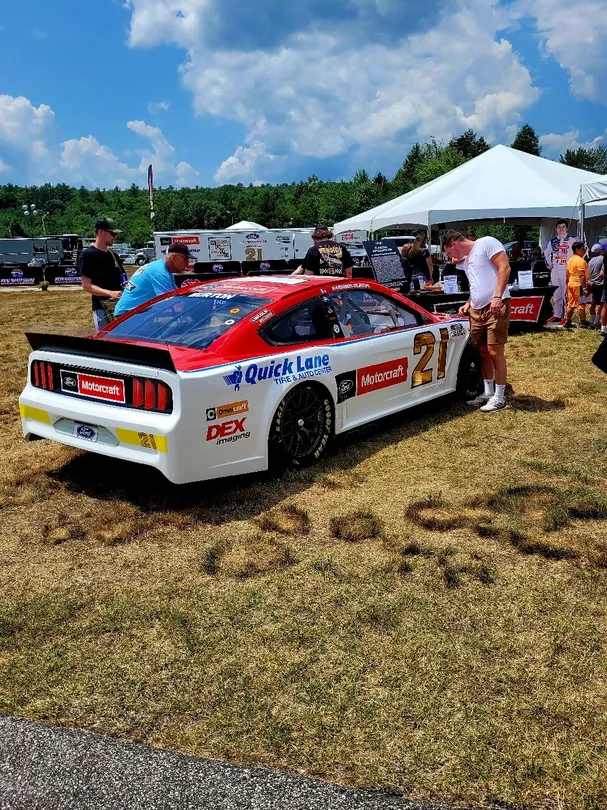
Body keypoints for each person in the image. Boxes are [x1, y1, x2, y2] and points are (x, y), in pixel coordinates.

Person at [442, 230, 511, 412]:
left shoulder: (486, 243)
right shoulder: (467, 260)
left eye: (449, 252)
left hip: (495, 306)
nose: (451, 257)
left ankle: (500, 396)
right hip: (476, 309)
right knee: (482, 351)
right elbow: (477, 284)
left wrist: (498, 297)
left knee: (494, 351)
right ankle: (488, 392)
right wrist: (469, 303)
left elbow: (504, 267)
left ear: (454, 244)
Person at [114, 242, 194, 317]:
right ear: (174, 257)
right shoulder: (159, 272)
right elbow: (172, 303)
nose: (187, 263)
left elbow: (176, 295)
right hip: (127, 315)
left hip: (135, 312)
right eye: (185, 259)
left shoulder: (163, 269)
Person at [79, 217, 126, 331]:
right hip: (102, 309)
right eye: (112, 233)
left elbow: (123, 279)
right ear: (101, 232)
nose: (115, 237)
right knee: (106, 339)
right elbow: (86, 285)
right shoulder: (88, 255)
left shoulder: (114, 255)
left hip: (120, 307)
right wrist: (110, 293)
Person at [544, 219, 576, 325]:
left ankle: (566, 317)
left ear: (566, 228)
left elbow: (582, 251)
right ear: (556, 229)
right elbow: (546, 253)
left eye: (563, 227)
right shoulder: (552, 241)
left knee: (566, 293)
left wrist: (573, 264)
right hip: (555, 269)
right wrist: (549, 264)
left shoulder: (572, 240)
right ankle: (557, 314)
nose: (561, 229)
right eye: (559, 227)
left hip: (566, 269)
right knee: (557, 293)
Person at [564, 241, 590, 330]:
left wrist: (567, 285)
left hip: (571, 284)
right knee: (581, 305)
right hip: (578, 285)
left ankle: (567, 322)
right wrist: (584, 287)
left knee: (571, 304)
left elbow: (567, 274)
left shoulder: (570, 260)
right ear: (577, 250)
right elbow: (582, 276)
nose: (584, 250)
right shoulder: (581, 261)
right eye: (583, 248)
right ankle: (583, 323)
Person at [587, 244, 604, 328]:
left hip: (592, 284)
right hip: (600, 284)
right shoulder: (602, 259)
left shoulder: (591, 260)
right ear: (600, 251)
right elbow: (602, 273)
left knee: (593, 302)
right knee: (603, 304)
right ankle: (596, 322)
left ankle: (592, 320)